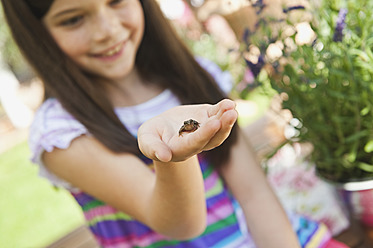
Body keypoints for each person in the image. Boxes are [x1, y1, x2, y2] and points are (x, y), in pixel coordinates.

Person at [1, 0, 347, 247]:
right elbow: (181, 225)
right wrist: (174, 158)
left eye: (117, 1)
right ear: (37, 33)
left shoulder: (191, 77)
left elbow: (254, 193)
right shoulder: (61, 134)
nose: (107, 30)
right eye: (73, 19)